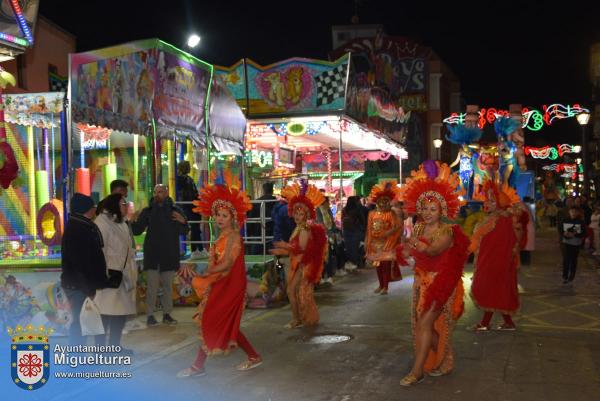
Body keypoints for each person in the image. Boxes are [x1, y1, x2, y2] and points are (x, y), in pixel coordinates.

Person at [176, 178, 261, 377]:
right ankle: (252, 356)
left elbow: (228, 264)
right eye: (217, 215)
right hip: (220, 284)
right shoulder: (220, 237)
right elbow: (215, 263)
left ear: (233, 217)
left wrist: (206, 273)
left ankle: (198, 366)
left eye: (224, 215)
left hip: (229, 286)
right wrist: (205, 271)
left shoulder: (233, 237)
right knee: (222, 324)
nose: (220, 218)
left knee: (212, 321)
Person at [397, 161, 470, 386]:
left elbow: (432, 250)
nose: (427, 213)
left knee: (424, 324)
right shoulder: (418, 227)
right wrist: (399, 250)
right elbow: (410, 253)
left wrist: (414, 244)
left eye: (433, 209)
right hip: (421, 282)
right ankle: (444, 358)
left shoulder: (447, 231)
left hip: (440, 284)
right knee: (423, 324)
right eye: (424, 208)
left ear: (442, 210)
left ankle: (417, 371)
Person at [271, 180, 328, 328]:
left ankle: (298, 319)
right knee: (294, 292)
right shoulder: (299, 227)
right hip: (297, 263)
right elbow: (295, 248)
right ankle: (299, 318)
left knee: (294, 292)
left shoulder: (304, 229)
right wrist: (281, 250)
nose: (297, 215)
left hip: (302, 265)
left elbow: (300, 248)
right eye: (295, 212)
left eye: (301, 213)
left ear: (306, 214)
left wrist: (284, 246)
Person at [131, 184, 189, 327]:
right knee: (152, 287)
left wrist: (183, 222)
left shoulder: (175, 211)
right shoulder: (148, 211)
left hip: (168, 255)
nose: (157, 194)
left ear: (167, 193)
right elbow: (137, 230)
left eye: (160, 192)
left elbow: (184, 231)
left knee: (168, 287)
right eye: (156, 192)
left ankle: (167, 314)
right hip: (152, 255)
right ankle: (150, 315)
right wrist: (132, 219)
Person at [470, 180, 520, 331]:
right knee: (497, 291)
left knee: (492, 290)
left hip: (496, 263)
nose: (488, 203)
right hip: (492, 262)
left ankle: (487, 323)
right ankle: (505, 322)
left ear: (499, 203)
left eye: (492, 201)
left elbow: (506, 244)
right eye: (487, 199)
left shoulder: (502, 220)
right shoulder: (495, 218)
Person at [61, 193, 107, 345]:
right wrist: (88, 288)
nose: (95, 210)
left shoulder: (83, 226)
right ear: (87, 209)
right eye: (93, 206)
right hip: (79, 285)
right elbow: (79, 263)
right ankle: (76, 361)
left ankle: (82, 358)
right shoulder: (78, 229)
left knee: (86, 321)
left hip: (82, 284)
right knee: (80, 322)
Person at [93, 194, 137, 350]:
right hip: (109, 276)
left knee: (120, 314)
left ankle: (114, 346)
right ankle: (100, 350)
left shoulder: (122, 222)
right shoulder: (102, 222)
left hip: (122, 276)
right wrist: (102, 273)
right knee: (104, 314)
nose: (127, 206)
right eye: (123, 203)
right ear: (114, 205)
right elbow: (99, 250)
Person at [365, 181, 402, 295]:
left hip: (387, 243)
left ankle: (385, 287)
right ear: (377, 202)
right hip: (375, 244)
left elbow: (397, 227)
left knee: (385, 265)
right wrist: (367, 242)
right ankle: (381, 285)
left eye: (385, 201)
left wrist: (387, 233)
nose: (383, 203)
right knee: (378, 266)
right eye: (381, 201)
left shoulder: (391, 214)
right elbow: (369, 229)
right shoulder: (372, 214)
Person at [176, 161, 206, 258]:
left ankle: (200, 249)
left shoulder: (186, 179)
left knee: (196, 228)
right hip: (189, 206)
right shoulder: (182, 179)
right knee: (194, 227)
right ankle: (195, 250)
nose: (189, 168)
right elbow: (189, 194)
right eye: (188, 166)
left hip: (192, 205)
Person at [559, 206, 586, 283]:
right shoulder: (565, 220)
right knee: (566, 259)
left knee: (574, 259)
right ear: (569, 212)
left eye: (575, 211)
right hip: (567, 242)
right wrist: (565, 233)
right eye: (572, 211)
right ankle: (565, 275)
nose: (573, 213)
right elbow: (560, 229)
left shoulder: (580, 221)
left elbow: (583, 233)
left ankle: (572, 275)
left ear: (577, 213)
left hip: (576, 243)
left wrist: (575, 235)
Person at [248, 182, 277, 255]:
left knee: (256, 260)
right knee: (273, 259)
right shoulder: (276, 203)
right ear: (272, 191)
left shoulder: (256, 202)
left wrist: (249, 234)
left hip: (258, 234)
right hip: (273, 234)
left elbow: (250, 220)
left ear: (263, 190)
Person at [342, 196, 367, 270]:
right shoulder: (358, 209)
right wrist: (363, 230)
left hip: (346, 231)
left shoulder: (344, 209)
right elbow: (362, 220)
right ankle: (355, 263)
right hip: (356, 230)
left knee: (348, 247)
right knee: (355, 247)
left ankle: (352, 263)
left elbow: (342, 220)